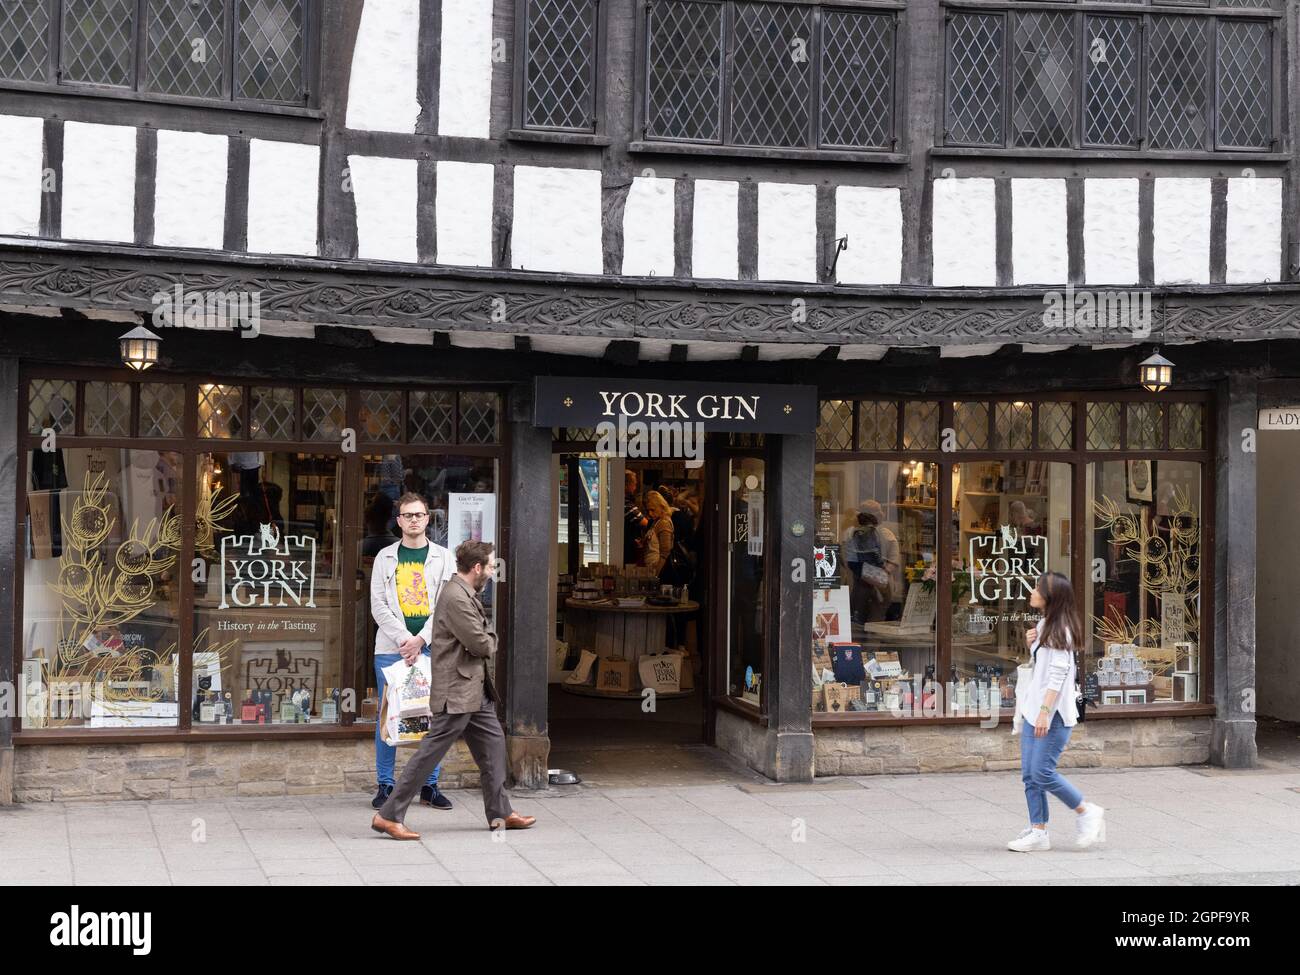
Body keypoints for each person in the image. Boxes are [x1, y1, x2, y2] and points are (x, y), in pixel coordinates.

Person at [371, 541, 536, 839]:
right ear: (476, 568)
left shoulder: (463, 592)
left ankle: (500, 811)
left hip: (475, 691)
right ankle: (388, 815)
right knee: (429, 754)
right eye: (488, 565)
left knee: (493, 748)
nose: (490, 570)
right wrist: (492, 634)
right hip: (457, 691)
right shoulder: (456, 598)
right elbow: (482, 644)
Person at [1008, 571, 1106, 852]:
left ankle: (1086, 811)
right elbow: (1041, 670)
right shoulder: (1044, 626)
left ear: (1049, 597)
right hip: (1033, 709)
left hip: (1051, 714)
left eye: (1037, 588)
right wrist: (1033, 645)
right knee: (1029, 774)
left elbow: (1059, 673)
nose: (1032, 591)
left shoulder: (1059, 629)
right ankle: (1038, 831)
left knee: (1041, 772)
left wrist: (1044, 712)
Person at [369, 492, 456, 811]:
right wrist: (406, 639)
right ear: (399, 520)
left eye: (419, 515)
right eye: (407, 515)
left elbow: (448, 604)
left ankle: (430, 786)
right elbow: (378, 604)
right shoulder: (385, 557)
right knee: (389, 714)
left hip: (433, 648)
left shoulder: (444, 557)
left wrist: (421, 640)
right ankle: (385, 784)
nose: (414, 520)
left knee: (433, 717)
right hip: (391, 649)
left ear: (428, 518)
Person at [642, 489, 676, 575]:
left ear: (661, 506)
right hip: (651, 568)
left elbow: (665, 553)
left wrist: (657, 574)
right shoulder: (657, 521)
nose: (650, 513)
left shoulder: (664, 523)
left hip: (657, 570)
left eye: (652, 510)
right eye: (648, 510)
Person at [623, 469, 648, 566]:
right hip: (628, 549)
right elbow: (645, 523)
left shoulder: (626, 502)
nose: (635, 487)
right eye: (634, 484)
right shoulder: (626, 504)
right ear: (626, 485)